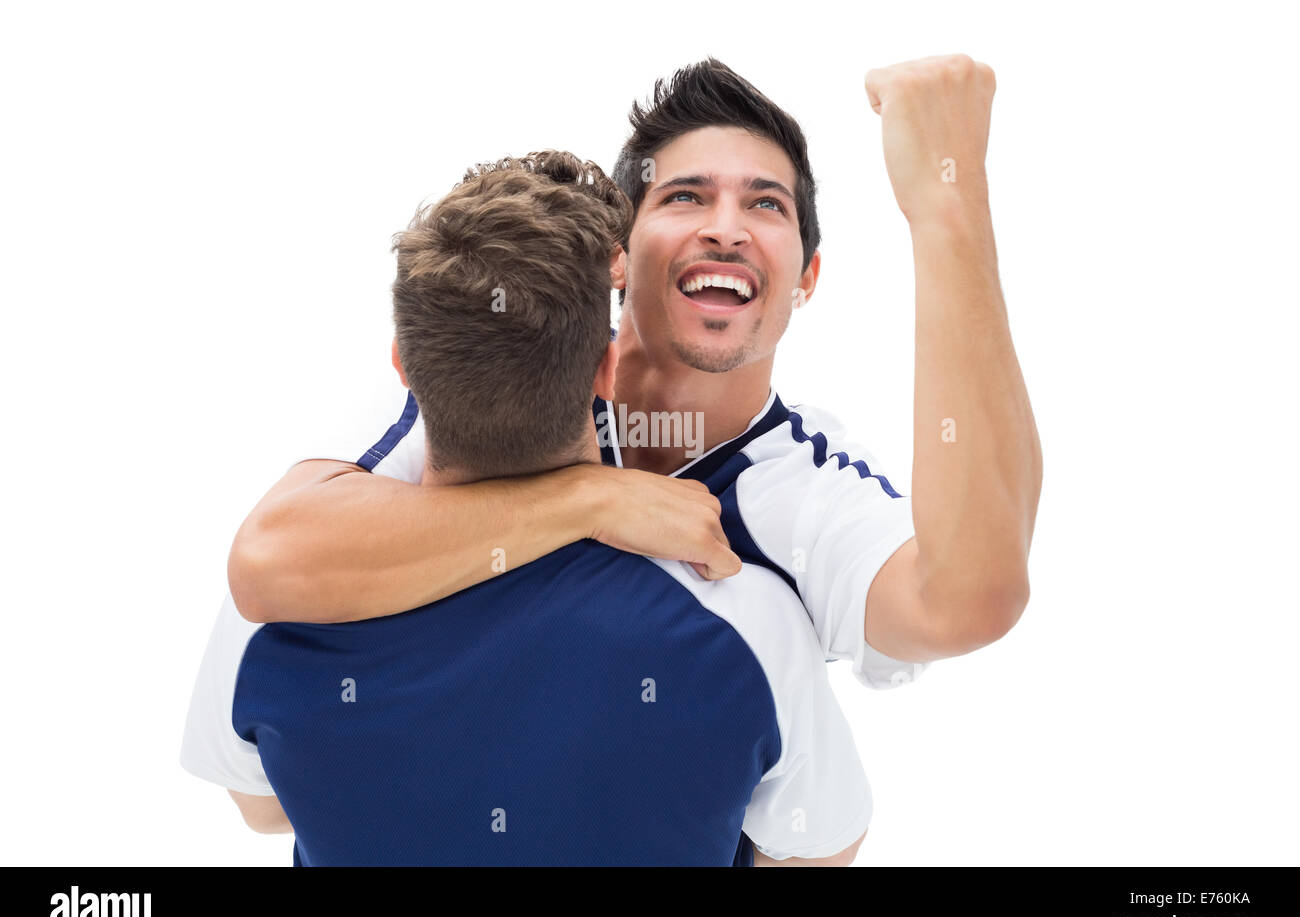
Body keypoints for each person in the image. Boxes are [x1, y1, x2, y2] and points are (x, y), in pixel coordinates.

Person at [226, 56, 1041, 685]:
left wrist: (947, 205)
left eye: (767, 204)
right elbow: (268, 563)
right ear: (618, 256)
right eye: (685, 196)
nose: (726, 228)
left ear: (807, 279)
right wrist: (593, 498)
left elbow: (967, 598)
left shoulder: (800, 496)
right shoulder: (491, 366)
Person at [181, 151, 872, 866]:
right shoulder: (746, 619)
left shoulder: (283, 601)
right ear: (607, 372)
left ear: (402, 366)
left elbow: (262, 808)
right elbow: (816, 848)